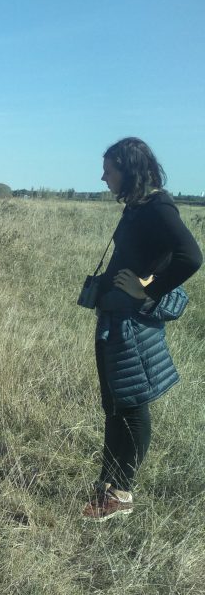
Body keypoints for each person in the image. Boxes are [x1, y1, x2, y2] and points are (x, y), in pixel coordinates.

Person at [82, 137, 202, 521]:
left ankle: (121, 495)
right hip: (116, 320)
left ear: (129, 170)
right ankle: (108, 485)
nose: (103, 177)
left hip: (133, 325)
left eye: (110, 169)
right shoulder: (138, 207)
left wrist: (148, 289)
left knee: (131, 407)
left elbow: (191, 256)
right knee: (116, 405)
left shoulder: (157, 207)